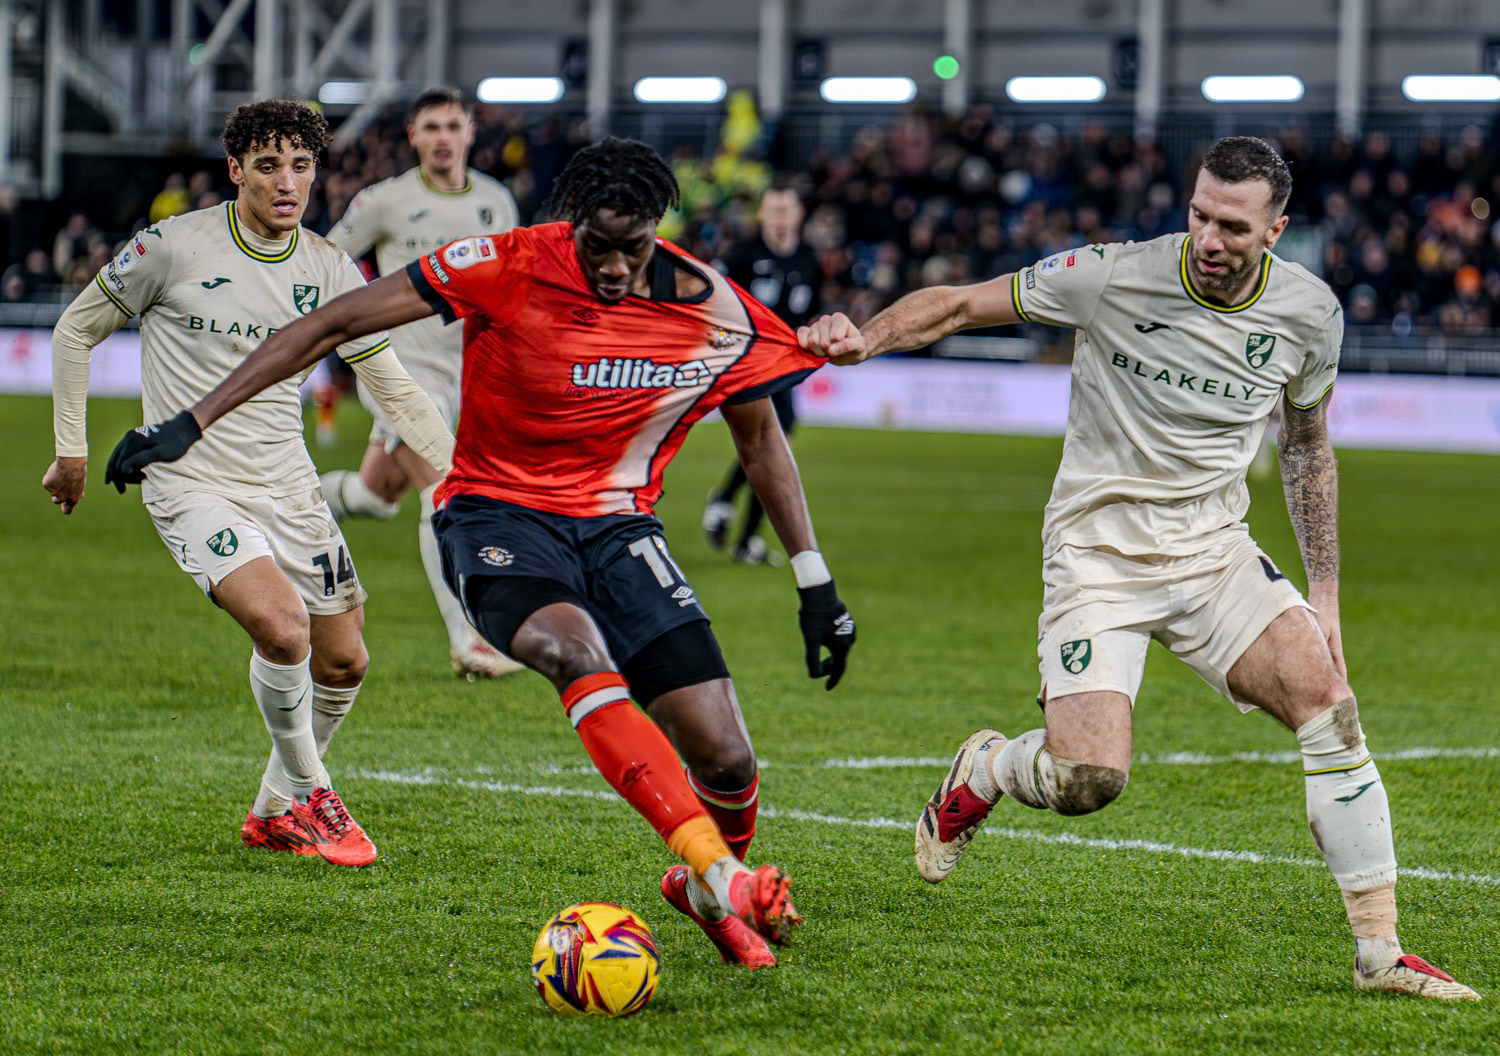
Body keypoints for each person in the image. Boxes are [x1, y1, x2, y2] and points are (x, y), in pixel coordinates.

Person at [101, 137, 858, 971]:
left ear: (658, 235)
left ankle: (708, 889)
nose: (611, 268)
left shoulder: (707, 302)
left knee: (726, 753)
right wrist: (190, 422)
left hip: (619, 531)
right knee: (574, 651)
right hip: (496, 518)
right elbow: (333, 321)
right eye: (595, 246)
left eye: (631, 250)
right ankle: (724, 873)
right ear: (570, 227)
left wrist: (813, 579)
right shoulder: (504, 263)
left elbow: (761, 437)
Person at [799, 136, 1478, 1002]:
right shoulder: (1112, 274)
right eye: (1199, 214)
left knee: (1331, 709)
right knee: (1089, 780)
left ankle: (1380, 953)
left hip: (1214, 553)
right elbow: (962, 306)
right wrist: (867, 337)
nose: (1209, 237)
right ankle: (988, 770)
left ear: (1276, 230)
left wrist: (1327, 594)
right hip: (1097, 554)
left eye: (1232, 225)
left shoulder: (1311, 314)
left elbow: (1307, 449)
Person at [44, 99, 457, 868]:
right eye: (268, 166)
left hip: (288, 485)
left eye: (301, 166)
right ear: (236, 171)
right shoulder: (173, 246)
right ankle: (313, 794)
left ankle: (273, 808)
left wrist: (461, 474)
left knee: (345, 661)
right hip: (190, 478)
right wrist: (71, 450)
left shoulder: (332, 269)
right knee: (283, 629)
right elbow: (77, 328)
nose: (287, 182)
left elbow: (393, 389)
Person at [322, 87, 524, 680]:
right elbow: (327, 263)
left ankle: (288, 499)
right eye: (430, 126)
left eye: (452, 125)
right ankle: (470, 639)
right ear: (412, 135)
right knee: (445, 492)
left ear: (470, 132)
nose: (442, 136)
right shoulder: (384, 202)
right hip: (397, 371)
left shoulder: (496, 202)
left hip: (467, 375)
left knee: (375, 497)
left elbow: (510, 293)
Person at [702, 185, 823, 564]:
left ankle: (734, 519)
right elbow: (715, 299)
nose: (781, 216)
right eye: (774, 209)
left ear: (799, 214)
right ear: (762, 215)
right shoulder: (743, 254)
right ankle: (732, 516)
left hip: (786, 364)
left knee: (774, 448)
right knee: (773, 445)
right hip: (749, 362)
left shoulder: (809, 259)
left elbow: (811, 311)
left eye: (787, 208)